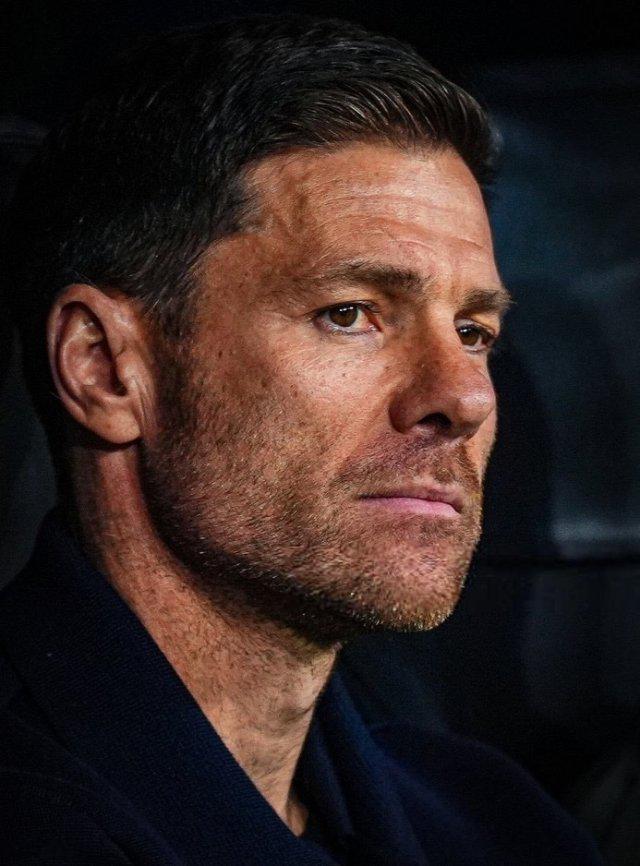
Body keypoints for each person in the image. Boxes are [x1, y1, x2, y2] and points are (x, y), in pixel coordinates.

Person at [0, 14, 603, 865]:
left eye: (474, 332)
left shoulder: (493, 821)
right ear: (103, 369)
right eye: (350, 314)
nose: (465, 397)